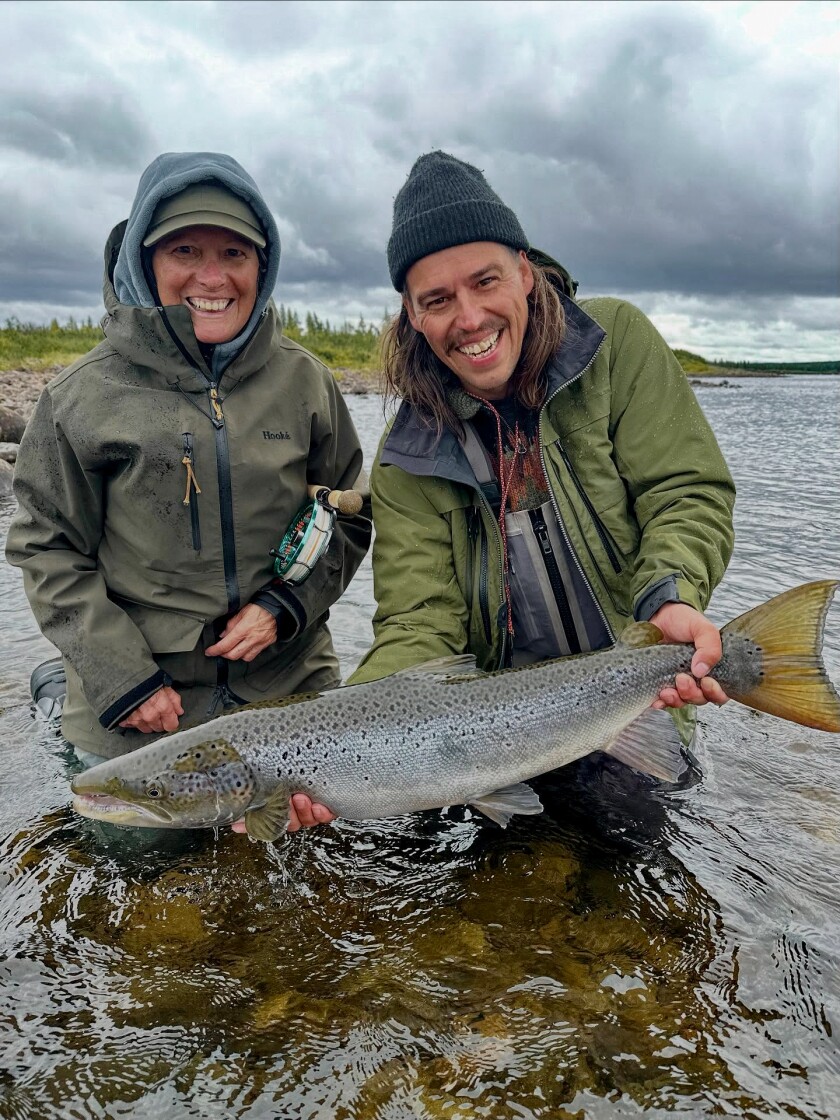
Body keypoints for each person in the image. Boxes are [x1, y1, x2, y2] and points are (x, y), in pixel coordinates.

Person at [287, 149, 735, 831]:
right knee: (396, 847)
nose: (467, 318)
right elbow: (419, 622)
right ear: (412, 314)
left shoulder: (616, 348)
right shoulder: (407, 456)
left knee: (635, 849)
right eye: (436, 300)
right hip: (487, 734)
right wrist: (341, 747)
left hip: (631, 692)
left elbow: (686, 492)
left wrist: (667, 597)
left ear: (525, 272)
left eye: (484, 281)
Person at [7, 152, 371, 834]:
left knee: (313, 848)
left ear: (263, 266)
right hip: (146, 698)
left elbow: (351, 515)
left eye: (234, 251)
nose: (212, 276)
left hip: (286, 684)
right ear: (146, 261)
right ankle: (61, 695)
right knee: (129, 862)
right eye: (184, 250)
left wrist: (286, 606)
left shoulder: (308, 383)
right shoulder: (80, 397)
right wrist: (122, 679)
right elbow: (45, 547)